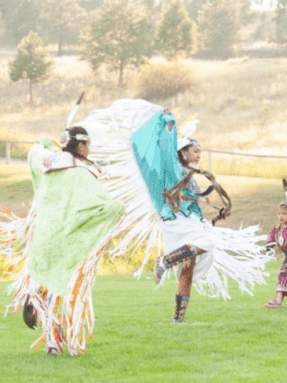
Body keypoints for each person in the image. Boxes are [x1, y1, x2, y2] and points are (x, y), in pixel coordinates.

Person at [83, 99, 270, 323]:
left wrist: (201, 198)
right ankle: (164, 261)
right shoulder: (173, 169)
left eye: (200, 151)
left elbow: (187, 196)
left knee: (188, 272)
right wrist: (168, 123)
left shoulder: (189, 174)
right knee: (207, 245)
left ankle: (178, 319)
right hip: (176, 222)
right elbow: (165, 150)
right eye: (195, 151)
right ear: (182, 152)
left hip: (189, 221)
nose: (199, 154)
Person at [0, 126, 125, 355]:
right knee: (62, 289)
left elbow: (35, 150)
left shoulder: (47, 161)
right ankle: (59, 335)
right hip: (67, 238)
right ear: (81, 146)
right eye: (88, 145)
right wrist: (117, 209)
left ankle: (52, 340)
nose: (90, 149)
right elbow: (103, 205)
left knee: (48, 286)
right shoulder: (82, 173)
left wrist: (45, 142)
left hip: (43, 235)